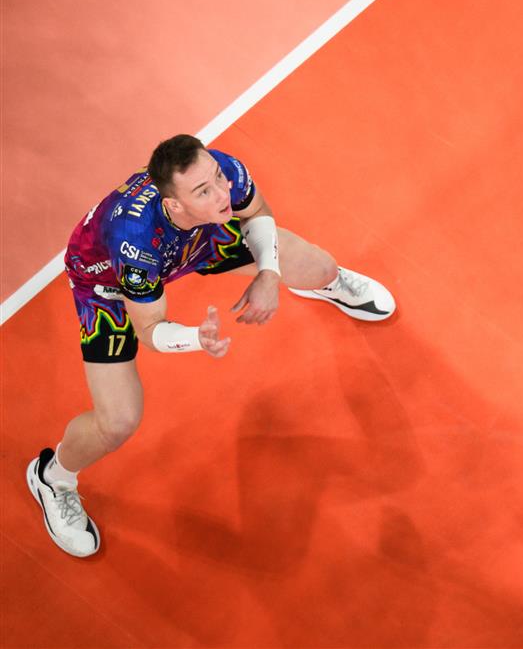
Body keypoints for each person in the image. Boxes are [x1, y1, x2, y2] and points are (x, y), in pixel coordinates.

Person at [27, 134, 396, 557]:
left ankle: (327, 285)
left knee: (320, 266)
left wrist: (269, 275)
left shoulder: (222, 172)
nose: (223, 194)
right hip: (107, 283)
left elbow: (256, 213)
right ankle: (52, 478)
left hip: (197, 239)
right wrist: (193, 338)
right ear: (173, 204)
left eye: (218, 178)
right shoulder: (134, 243)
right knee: (118, 422)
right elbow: (149, 330)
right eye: (204, 191)